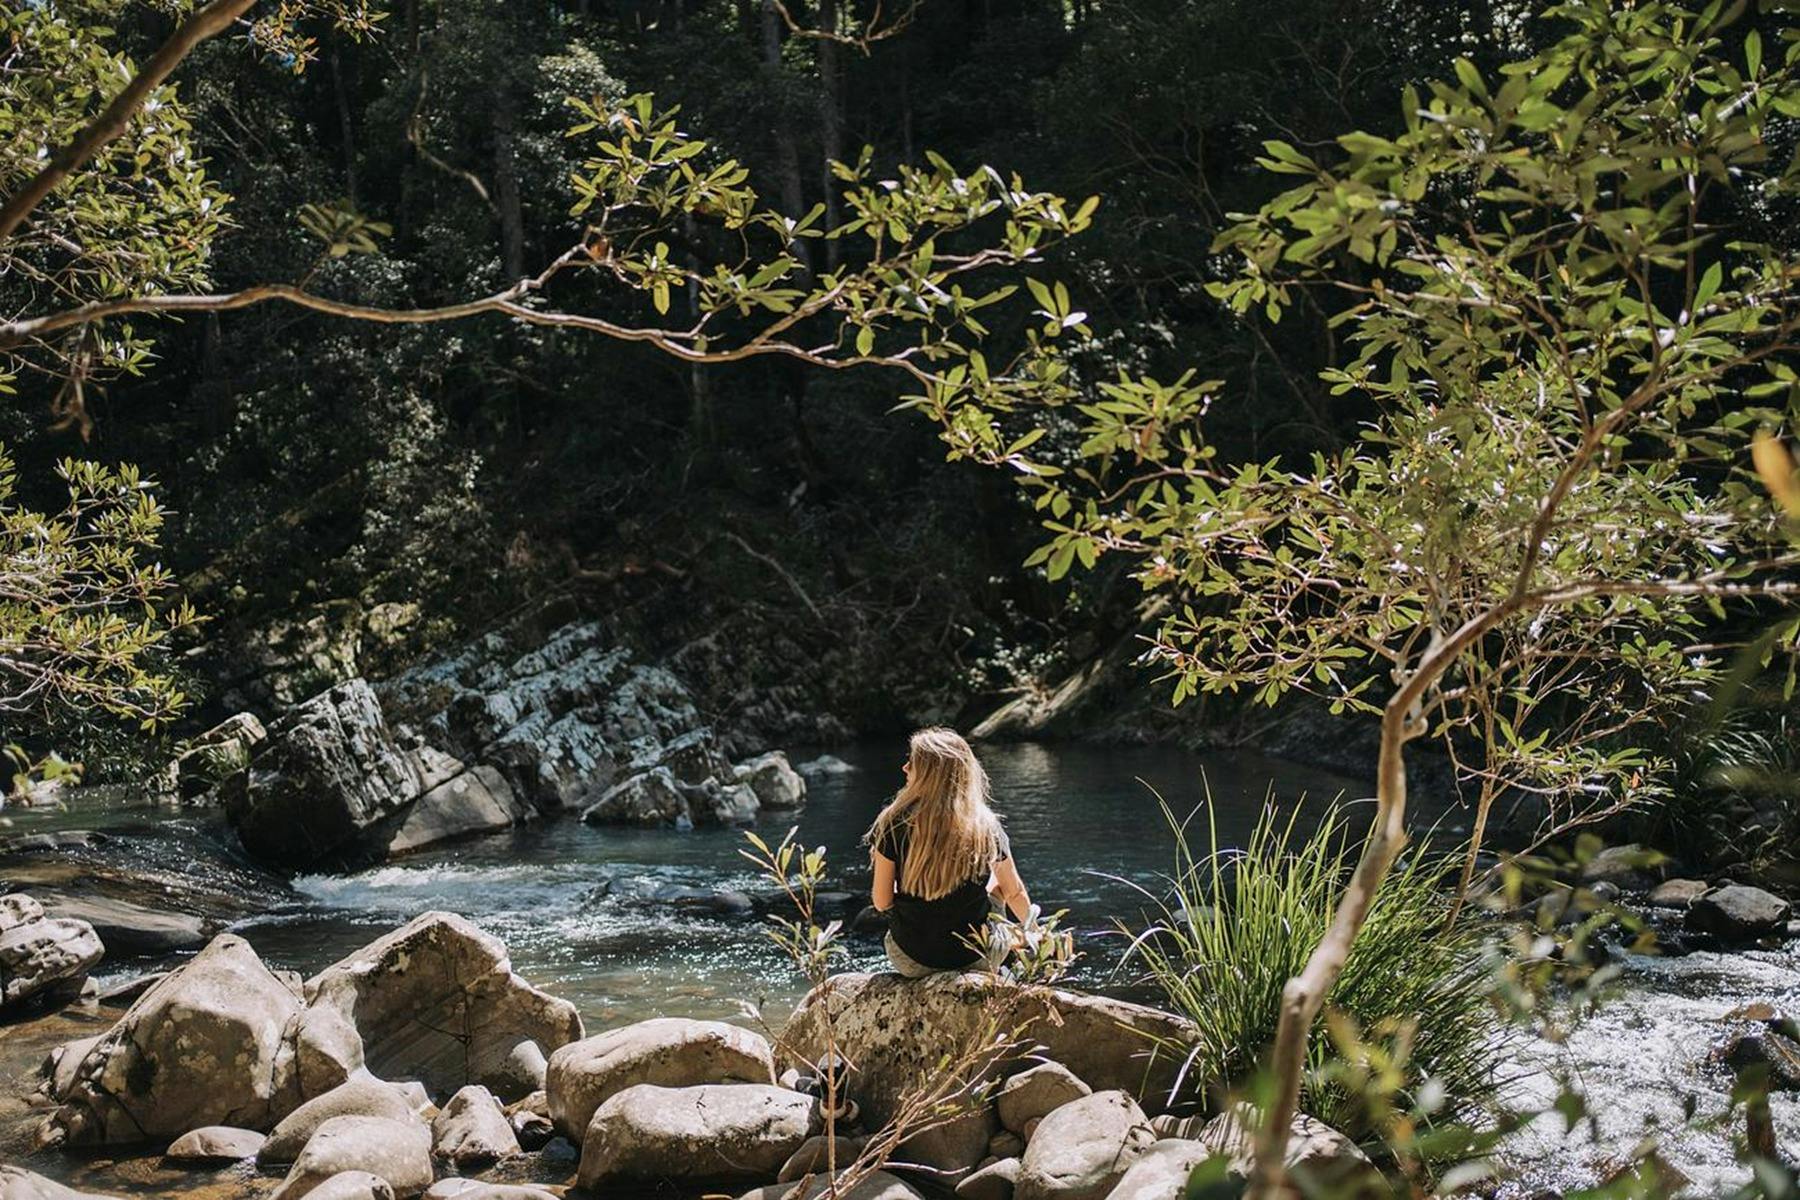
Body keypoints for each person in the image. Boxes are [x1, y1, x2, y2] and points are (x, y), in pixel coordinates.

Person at [866, 726, 1035, 977]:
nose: (905, 768)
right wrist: (1037, 933)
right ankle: (1020, 946)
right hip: (976, 957)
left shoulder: (893, 822)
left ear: (928, 773)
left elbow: (881, 903)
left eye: (911, 762)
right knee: (998, 888)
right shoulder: (984, 826)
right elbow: (1015, 892)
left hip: (911, 960)